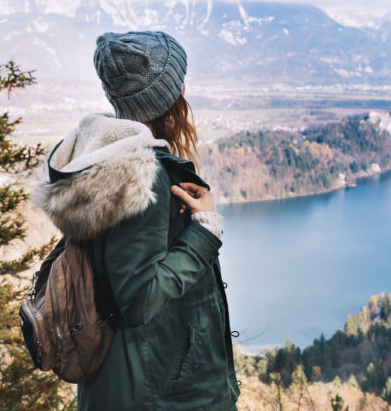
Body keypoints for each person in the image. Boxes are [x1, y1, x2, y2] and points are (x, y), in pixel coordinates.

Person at [33, 31, 240, 410]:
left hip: (126, 384)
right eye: (178, 83)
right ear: (166, 99)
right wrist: (205, 232)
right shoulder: (141, 177)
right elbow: (139, 298)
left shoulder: (101, 160)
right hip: (162, 396)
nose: (184, 92)